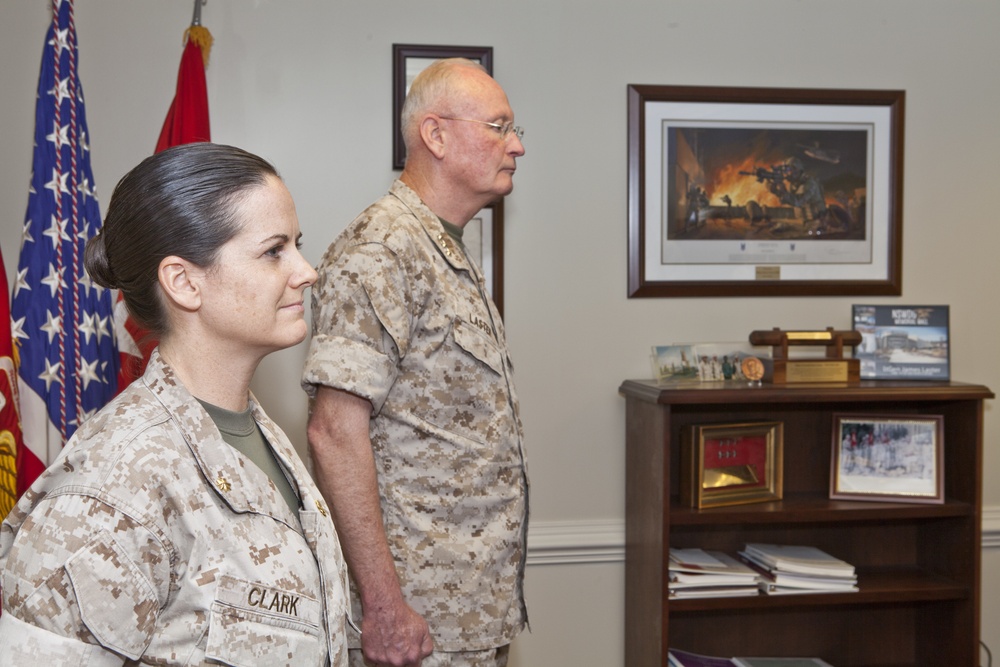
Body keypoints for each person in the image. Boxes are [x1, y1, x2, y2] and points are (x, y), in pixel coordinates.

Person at [0, 143, 350, 666]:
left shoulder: (256, 432)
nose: (307, 271)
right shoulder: (115, 484)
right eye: (274, 251)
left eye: (298, 245)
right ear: (184, 282)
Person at [303, 58, 527, 667]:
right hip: (413, 622)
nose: (518, 147)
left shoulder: (442, 244)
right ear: (436, 135)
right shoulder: (384, 249)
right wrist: (383, 608)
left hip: (468, 610)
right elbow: (333, 432)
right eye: (500, 127)